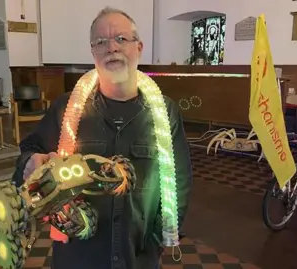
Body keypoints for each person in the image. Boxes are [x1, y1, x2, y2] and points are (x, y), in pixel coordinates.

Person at [12, 6, 193, 269]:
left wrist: (156, 239)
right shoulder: (66, 109)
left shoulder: (165, 112)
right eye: (101, 42)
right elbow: (29, 154)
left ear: (139, 47)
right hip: (79, 256)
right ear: (93, 52)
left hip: (138, 256)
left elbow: (180, 181)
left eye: (121, 39)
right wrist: (29, 163)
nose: (111, 47)